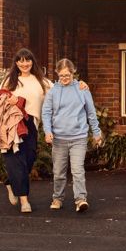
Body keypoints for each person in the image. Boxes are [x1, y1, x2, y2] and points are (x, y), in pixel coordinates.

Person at [42, 58, 103, 213]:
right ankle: (57, 198)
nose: (64, 79)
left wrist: (96, 132)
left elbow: (91, 113)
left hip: (78, 137)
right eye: (61, 76)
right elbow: (46, 113)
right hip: (59, 139)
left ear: (73, 72)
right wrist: (47, 131)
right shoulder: (53, 91)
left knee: (77, 170)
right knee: (59, 172)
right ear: (57, 74)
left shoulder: (82, 89)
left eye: (67, 75)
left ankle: (81, 200)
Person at [0, 48, 49, 214]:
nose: (24, 64)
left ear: (32, 62)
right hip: (13, 124)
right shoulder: (10, 80)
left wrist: (80, 85)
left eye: (27, 60)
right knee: (16, 160)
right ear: (16, 63)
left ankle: (11, 182)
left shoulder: (41, 81)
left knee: (29, 158)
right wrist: (10, 100)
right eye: (20, 60)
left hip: (32, 123)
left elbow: (61, 90)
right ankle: (24, 200)